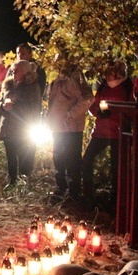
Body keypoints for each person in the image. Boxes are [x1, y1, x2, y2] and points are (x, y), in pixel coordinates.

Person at [81, 61, 135, 209]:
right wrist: (99, 112)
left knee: (117, 167)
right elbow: (94, 105)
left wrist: (117, 113)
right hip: (101, 131)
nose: (108, 74)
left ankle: (116, 200)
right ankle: (87, 194)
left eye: (111, 71)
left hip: (119, 132)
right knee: (86, 160)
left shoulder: (128, 86)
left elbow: (132, 108)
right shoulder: (103, 86)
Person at [45, 54, 94, 200]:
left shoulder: (74, 78)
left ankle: (73, 193)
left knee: (72, 160)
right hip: (58, 127)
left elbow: (87, 98)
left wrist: (70, 115)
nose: (55, 63)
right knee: (59, 158)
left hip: (70, 128)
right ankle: (61, 189)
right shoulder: (57, 78)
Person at [0, 60, 42, 187]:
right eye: (12, 70)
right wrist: (3, 106)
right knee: (10, 158)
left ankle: (23, 185)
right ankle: (11, 183)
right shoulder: (8, 85)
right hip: (8, 127)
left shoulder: (32, 87)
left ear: (25, 72)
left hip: (22, 129)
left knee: (23, 157)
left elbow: (33, 108)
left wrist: (14, 106)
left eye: (17, 70)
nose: (13, 72)